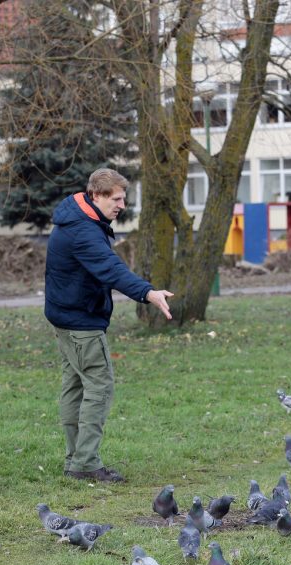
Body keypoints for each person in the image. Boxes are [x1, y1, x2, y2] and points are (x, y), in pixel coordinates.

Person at [44, 168, 173, 483]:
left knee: (74, 386)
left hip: (66, 316)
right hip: (80, 323)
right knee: (98, 388)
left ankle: (76, 459)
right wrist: (148, 293)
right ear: (96, 195)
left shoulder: (78, 219)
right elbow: (112, 269)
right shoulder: (83, 231)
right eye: (116, 199)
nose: (122, 205)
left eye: (123, 198)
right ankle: (85, 463)